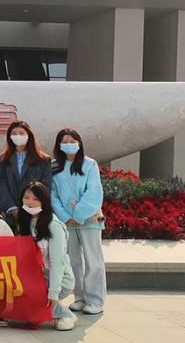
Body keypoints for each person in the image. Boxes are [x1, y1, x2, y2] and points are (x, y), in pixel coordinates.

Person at [51, 128, 106, 316]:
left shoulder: (90, 164)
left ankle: (95, 300)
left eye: (72, 141)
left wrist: (79, 214)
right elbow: (52, 195)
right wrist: (66, 216)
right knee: (73, 261)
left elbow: (94, 191)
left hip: (89, 219)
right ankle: (80, 297)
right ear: (59, 145)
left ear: (79, 143)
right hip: (67, 222)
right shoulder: (54, 167)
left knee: (93, 260)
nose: (69, 145)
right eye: (65, 142)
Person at [14, 182, 77, 331]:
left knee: (32, 300)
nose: (30, 202)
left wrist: (53, 293)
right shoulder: (25, 222)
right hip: (37, 278)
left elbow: (57, 262)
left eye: (35, 199)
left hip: (59, 281)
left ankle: (64, 314)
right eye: (26, 197)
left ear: (44, 201)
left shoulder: (53, 225)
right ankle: (43, 307)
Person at [0, 120, 52, 227]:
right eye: (14, 133)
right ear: (9, 137)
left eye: (21, 133)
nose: (18, 136)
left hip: (36, 212)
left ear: (29, 135)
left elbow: (46, 185)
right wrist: (12, 207)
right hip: (11, 213)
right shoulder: (2, 159)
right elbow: (1, 183)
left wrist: (31, 205)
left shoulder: (43, 160)